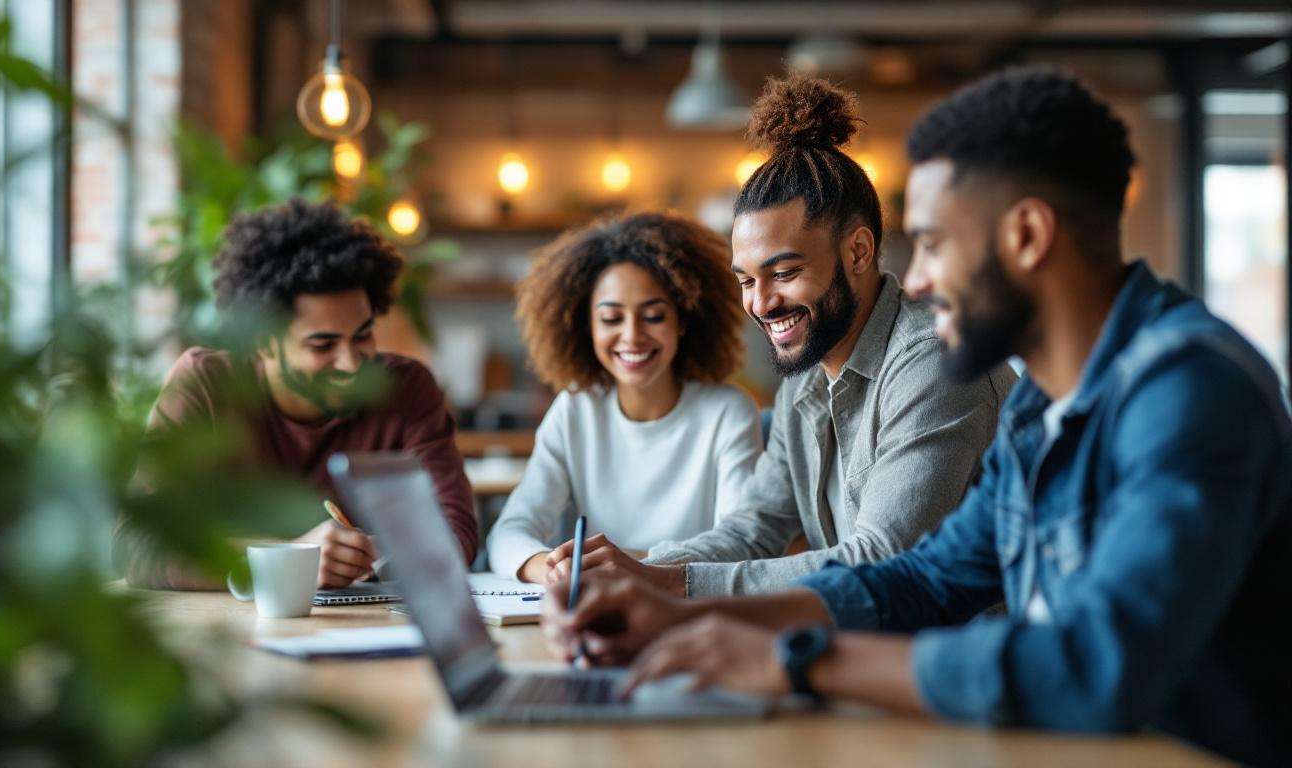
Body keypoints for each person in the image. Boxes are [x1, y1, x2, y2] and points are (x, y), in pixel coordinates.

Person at [540, 69, 1292, 767]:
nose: (921, 277)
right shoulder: (1042, 402)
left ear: (1026, 236)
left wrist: (795, 658)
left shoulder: (1190, 393)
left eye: (933, 243)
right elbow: (925, 579)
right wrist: (676, 615)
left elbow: (1094, 667)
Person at [539, 75, 1014, 597]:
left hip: (963, 663)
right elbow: (754, 528)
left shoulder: (935, 363)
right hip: (869, 649)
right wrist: (632, 571)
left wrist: (671, 582)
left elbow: (881, 559)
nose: (759, 304)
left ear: (858, 252)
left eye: (783, 274)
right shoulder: (806, 376)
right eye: (746, 280)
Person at [116, 199, 476, 590]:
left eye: (363, 336)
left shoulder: (406, 389)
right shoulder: (206, 386)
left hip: (364, 633)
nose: (352, 365)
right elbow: (137, 547)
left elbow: (456, 534)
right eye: (323, 346)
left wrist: (376, 556)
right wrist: (289, 560)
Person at [485, 211, 762, 584]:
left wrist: (630, 567)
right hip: (600, 604)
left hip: (686, 608)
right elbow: (507, 535)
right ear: (587, 327)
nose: (632, 336)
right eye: (612, 319)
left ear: (683, 321)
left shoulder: (728, 412)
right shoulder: (576, 409)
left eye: (653, 316)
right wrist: (556, 569)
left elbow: (739, 545)